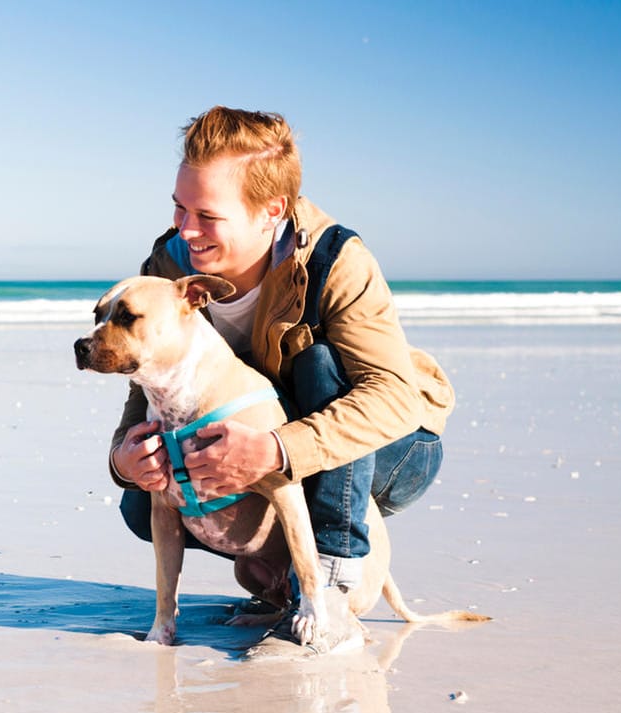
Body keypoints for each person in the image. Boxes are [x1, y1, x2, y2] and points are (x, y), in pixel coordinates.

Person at [108, 106, 456, 657]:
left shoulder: (335, 259)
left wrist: (274, 449)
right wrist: (123, 459)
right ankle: (285, 580)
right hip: (270, 418)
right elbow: (147, 373)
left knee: (320, 364)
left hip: (396, 448)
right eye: (179, 208)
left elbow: (391, 397)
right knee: (140, 502)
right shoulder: (169, 267)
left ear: (271, 211)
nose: (185, 229)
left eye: (207, 215)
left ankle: (332, 582)